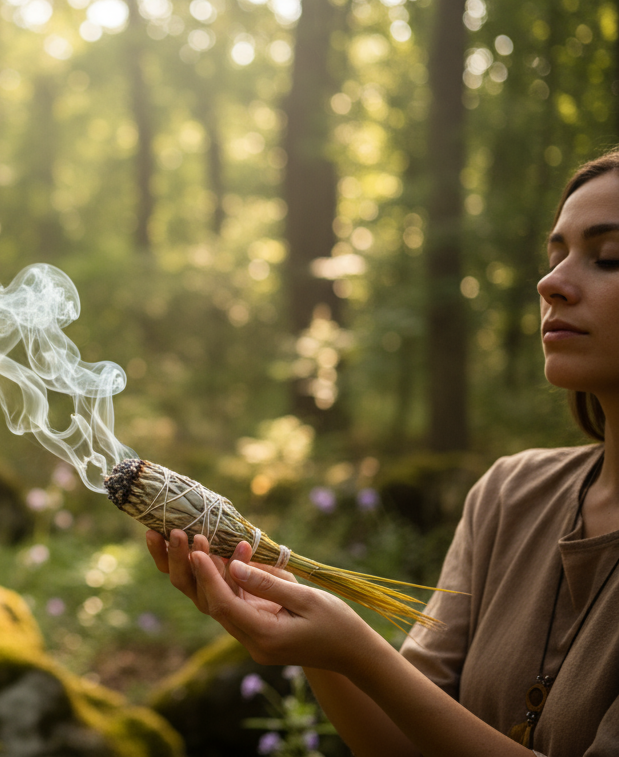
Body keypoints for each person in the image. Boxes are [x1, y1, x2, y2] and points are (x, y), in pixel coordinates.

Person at [147, 151, 619, 757]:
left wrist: (360, 651)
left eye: (608, 258)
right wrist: (318, 646)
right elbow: (404, 742)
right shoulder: (509, 495)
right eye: (556, 257)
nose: (549, 283)